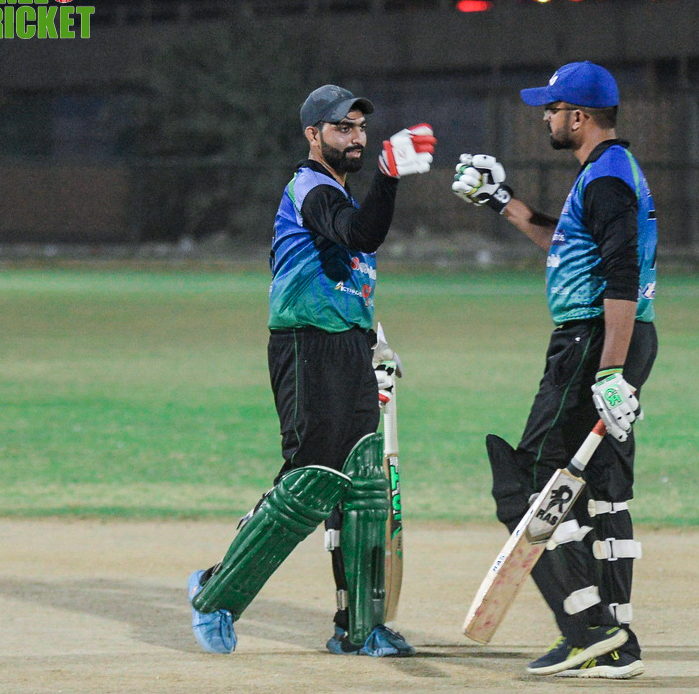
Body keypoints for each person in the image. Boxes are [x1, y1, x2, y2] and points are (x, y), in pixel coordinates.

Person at [187, 84, 436, 657]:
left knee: (362, 483)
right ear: (313, 134)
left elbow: (351, 268)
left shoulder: (339, 194)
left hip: (348, 347)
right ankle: (215, 593)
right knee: (310, 480)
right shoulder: (310, 187)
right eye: (342, 128)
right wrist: (389, 176)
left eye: (359, 127)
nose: (355, 137)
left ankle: (359, 627)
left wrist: (372, 339)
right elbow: (361, 234)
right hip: (306, 347)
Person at [451, 61, 657, 679]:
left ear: (580, 116)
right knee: (603, 489)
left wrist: (609, 371)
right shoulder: (607, 171)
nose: (546, 117)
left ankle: (589, 631)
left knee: (531, 482)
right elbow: (566, 243)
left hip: (593, 341)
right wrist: (502, 202)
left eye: (553, 109)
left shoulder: (608, 179)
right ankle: (615, 643)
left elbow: (621, 276)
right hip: (614, 339)